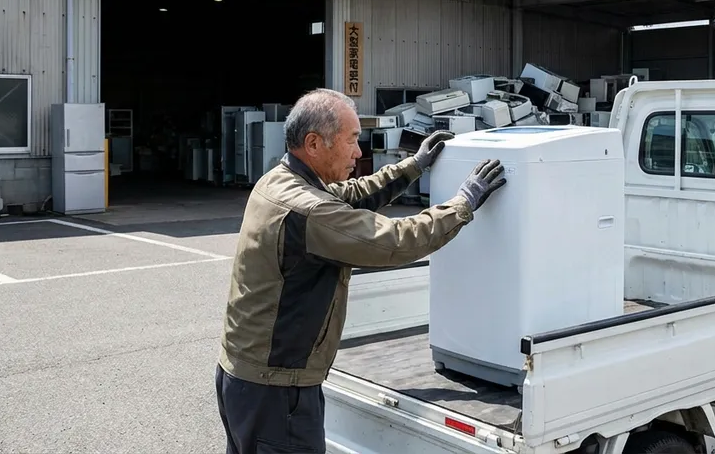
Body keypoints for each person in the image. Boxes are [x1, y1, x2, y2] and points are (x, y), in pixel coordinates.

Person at [214, 88, 506, 454]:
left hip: (245, 379)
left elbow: (351, 194)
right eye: (352, 140)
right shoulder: (309, 210)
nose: (359, 152)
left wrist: (413, 166)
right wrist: (463, 203)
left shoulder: (279, 180)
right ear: (314, 143)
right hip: (276, 392)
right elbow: (395, 240)